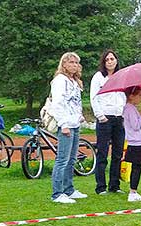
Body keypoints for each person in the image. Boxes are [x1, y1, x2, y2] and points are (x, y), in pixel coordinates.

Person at [50, 52, 88, 203]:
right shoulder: (60, 80)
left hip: (75, 123)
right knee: (62, 159)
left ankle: (69, 189)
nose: (74, 65)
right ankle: (57, 193)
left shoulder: (75, 81)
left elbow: (75, 102)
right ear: (64, 64)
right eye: (70, 62)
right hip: (66, 125)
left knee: (71, 159)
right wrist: (63, 124)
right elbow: (58, 103)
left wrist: (79, 116)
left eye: (76, 62)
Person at [90, 49, 126, 195]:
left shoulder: (121, 76)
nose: (110, 62)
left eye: (112, 59)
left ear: (116, 60)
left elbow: (124, 96)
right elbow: (94, 97)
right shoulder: (99, 77)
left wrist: (122, 113)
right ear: (104, 62)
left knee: (117, 153)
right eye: (107, 60)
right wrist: (100, 116)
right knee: (102, 153)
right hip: (105, 118)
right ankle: (100, 186)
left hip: (119, 118)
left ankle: (114, 185)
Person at [123, 87, 141, 202]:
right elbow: (135, 125)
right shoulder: (129, 109)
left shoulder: (131, 108)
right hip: (135, 142)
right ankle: (133, 192)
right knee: (136, 167)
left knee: (137, 167)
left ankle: (133, 191)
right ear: (131, 96)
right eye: (139, 95)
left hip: (138, 141)